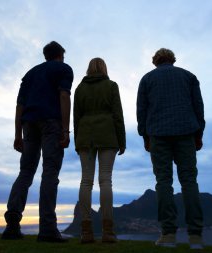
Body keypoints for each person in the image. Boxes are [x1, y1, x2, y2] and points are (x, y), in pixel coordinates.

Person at [1, 41, 73, 243]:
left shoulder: (30, 73)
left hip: (28, 124)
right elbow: (64, 96)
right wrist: (66, 130)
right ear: (61, 55)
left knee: (25, 172)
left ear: (46, 55)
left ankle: (12, 225)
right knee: (50, 172)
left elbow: (19, 106)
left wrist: (17, 134)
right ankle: (48, 229)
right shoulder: (63, 69)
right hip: (52, 123)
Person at [136, 48, 205, 249]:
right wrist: (199, 133)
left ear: (155, 61)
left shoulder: (147, 79)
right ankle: (196, 236)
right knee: (189, 180)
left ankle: (168, 235)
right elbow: (198, 106)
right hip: (186, 133)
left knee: (163, 182)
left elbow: (141, 110)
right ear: (172, 59)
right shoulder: (188, 76)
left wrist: (145, 136)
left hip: (158, 134)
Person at [73, 58, 126, 244]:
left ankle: (86, 232)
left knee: (86, 181)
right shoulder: (111, 86)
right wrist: (122, 141)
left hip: (85, 137)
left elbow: (76, 117)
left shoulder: (80, 89)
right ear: (104, 68)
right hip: (108, 135)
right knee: (105, 180)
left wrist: (77, 141)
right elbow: (118, 115)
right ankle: (107, 231)